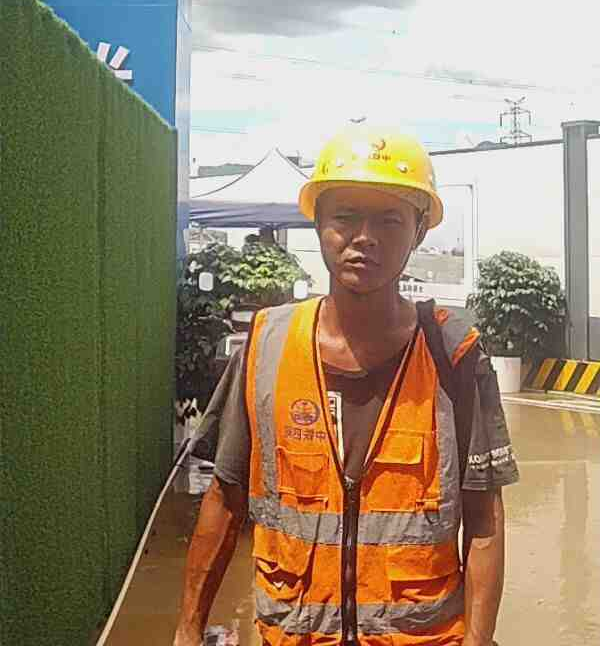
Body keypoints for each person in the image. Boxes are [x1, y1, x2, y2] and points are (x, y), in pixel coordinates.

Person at [174, 127, 519, 646]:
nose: (365, 237)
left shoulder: (454, 353)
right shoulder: (268, 346)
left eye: (389, 220)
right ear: (318, 223)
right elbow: (225, 497)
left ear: (418, 232)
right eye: (346, 216)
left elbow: (484, 517)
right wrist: (187, 629)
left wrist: (479, 640)